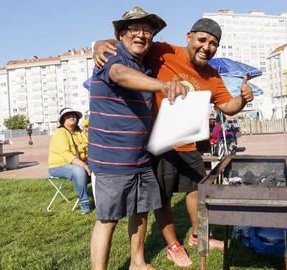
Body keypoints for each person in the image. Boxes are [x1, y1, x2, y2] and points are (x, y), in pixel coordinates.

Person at [94, 17, 254, 268]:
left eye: (213, 44)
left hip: (186, 142)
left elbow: (228, 106)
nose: (207, 47)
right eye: (202, 39)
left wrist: (242, 99)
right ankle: (172, 245)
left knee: (197, 190)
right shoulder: (165, 51)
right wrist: (102, 43)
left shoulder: (211, 75)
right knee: (161, 199)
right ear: (189, 37)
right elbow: (133, 42)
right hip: (157, 142)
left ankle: (197, 234)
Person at [88, 7, 185, 270]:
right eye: (135, 29)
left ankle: (137, 263)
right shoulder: (110, 56)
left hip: (142, 157)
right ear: (121, 33)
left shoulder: (144, 66)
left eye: (148, 30)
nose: (142, 35)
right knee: (108, 219)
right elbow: (120, 75)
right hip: (112, 159)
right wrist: (163, 86)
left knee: (140, 211)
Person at [48, 107, 92, 214]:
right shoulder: (60, 132)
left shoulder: (81, 132)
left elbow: (89, 147)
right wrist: (85, 166)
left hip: (79, 163)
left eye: (73, 115)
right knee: (79, 171)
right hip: (59, 166)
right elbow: (66, 154)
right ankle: (84, 204)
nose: (71, 117)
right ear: (63, 120)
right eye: (68, 116)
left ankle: (104, 200)